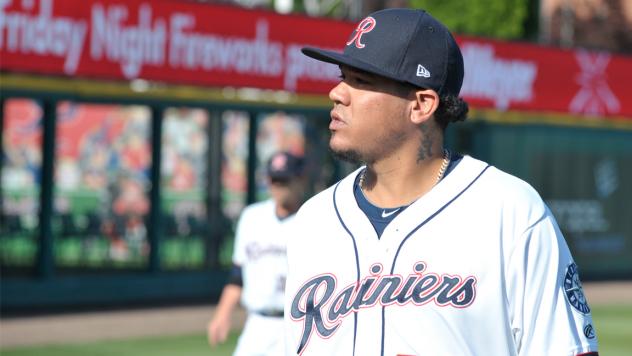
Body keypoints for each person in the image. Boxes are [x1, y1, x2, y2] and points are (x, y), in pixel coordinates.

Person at [283, 8, 599, 356]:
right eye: (343, 76)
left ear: (421, 105)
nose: (337, 93)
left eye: (361, 81)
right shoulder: (313, 220)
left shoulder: (510, 212)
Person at [208, 151, 307, 356]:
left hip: (297, 326)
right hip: (257, 325)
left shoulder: (312, 219)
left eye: (284, 180)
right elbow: (237, 274)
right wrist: (222, 314)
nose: (278, 186)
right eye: (274, 179)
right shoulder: (252, 217)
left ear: (299, 179)